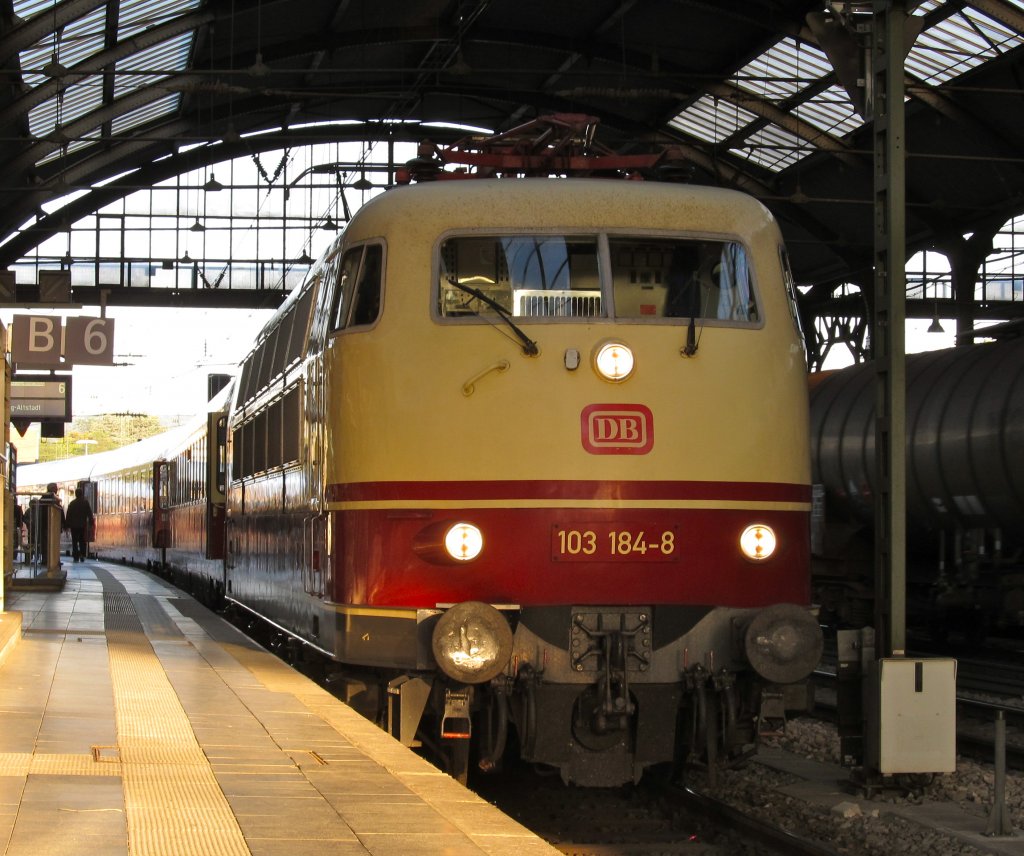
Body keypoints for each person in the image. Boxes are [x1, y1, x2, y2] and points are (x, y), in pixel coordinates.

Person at [65, 487, 95, 562]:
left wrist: (67, 525)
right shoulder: (85, 503)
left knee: (74, 541)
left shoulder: (72, 503)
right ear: (82, 494)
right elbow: (89, 513)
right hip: (82, 525)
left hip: (74, 526)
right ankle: (82, 554)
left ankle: (75, 556)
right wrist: (91, 523)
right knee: (82, 540)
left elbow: (68, 515)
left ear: (76, 494)